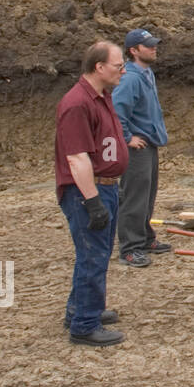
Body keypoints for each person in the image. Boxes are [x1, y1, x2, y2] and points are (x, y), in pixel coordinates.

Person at [56, 40, 130, 347]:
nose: (123, 71)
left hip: (104, 187)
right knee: (93, 257)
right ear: (99, 67)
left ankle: (80, 311)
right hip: (88, 191)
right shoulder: (77, 104)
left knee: (93, 254)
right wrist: (93, 201)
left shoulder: (101, 97)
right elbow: (77, 158)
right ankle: (85, 325)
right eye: (118, 65)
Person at [112, 28, 171, 268]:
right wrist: (127, 138)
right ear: (134, 50)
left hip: (149, 143)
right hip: (137, 148)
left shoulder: (147, 74)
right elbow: (116, 111)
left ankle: (145, 238)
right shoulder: (130, 78)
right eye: (148, 46)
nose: (154, 48)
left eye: (154, 44)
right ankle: (130, 248)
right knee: (134, 196)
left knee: (147, 195)